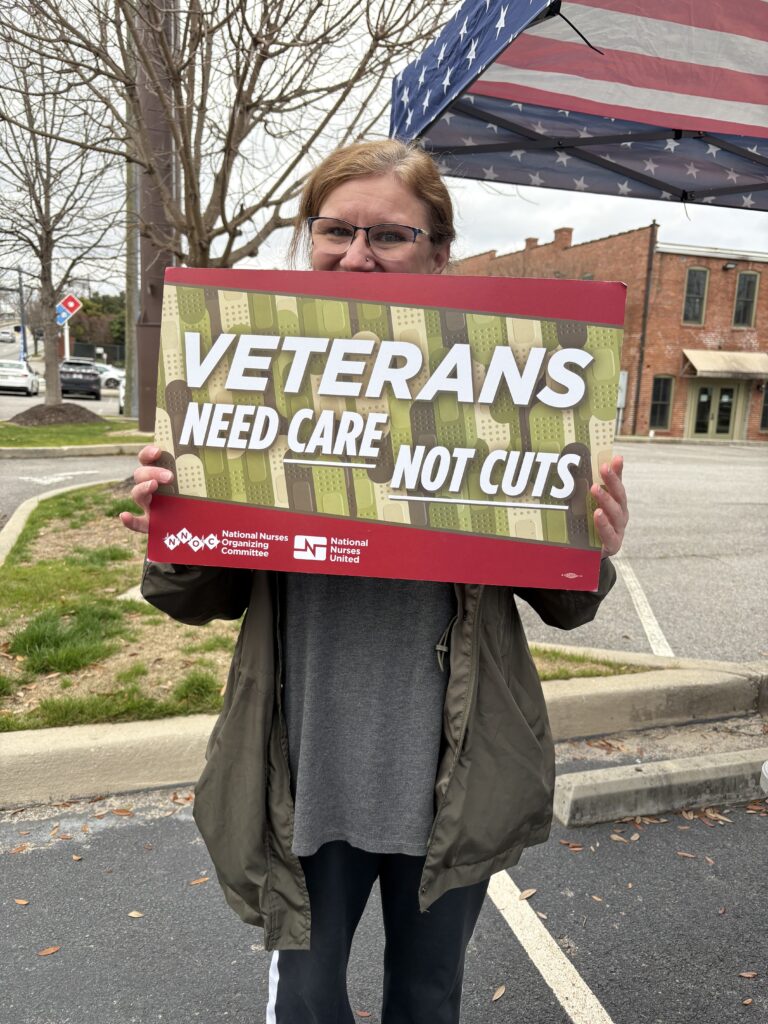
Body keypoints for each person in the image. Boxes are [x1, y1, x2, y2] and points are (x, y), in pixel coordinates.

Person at [120, 139, 628, 1024]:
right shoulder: (245, 376)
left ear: (439, 252)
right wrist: (177, 526)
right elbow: (197, 596)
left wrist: (592, 542)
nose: (357, 256)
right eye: (336, 231)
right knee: (308, 1001)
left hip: (449, 772)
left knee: (427, 999)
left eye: (389, 235)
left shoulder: (505, 385)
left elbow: (566, 602)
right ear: (308, 238)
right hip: (303, 764)